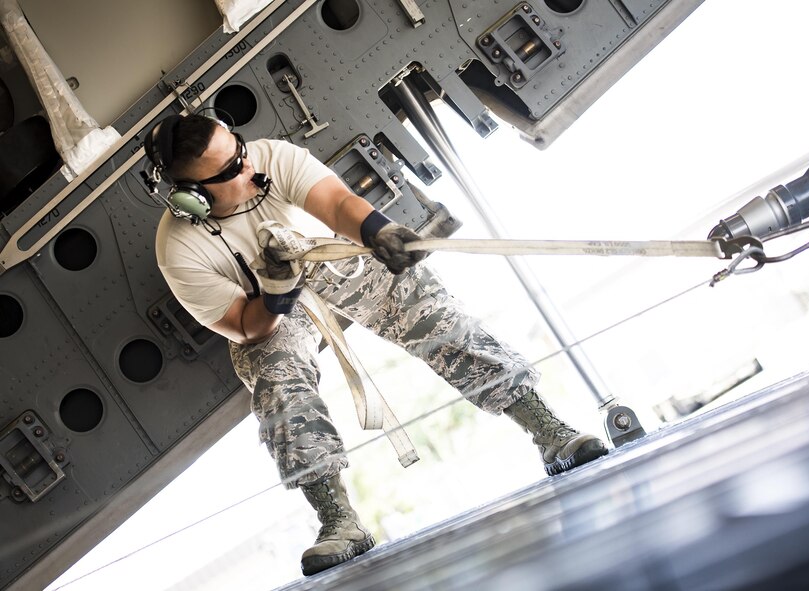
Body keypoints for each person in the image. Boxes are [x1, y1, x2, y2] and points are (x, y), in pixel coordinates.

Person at [147, 114, 608, 576]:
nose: (249, 168)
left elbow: (335, 202)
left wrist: (378, 232)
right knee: (275, 379)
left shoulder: (272, 157)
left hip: (331, 259)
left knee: (426, 309)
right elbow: (245, 327)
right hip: (267, 308)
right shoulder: (178, 248)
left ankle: (550, 432)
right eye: (230, 171)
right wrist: (275, 294)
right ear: (195, 195)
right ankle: (338, 520)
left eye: (241, 151)